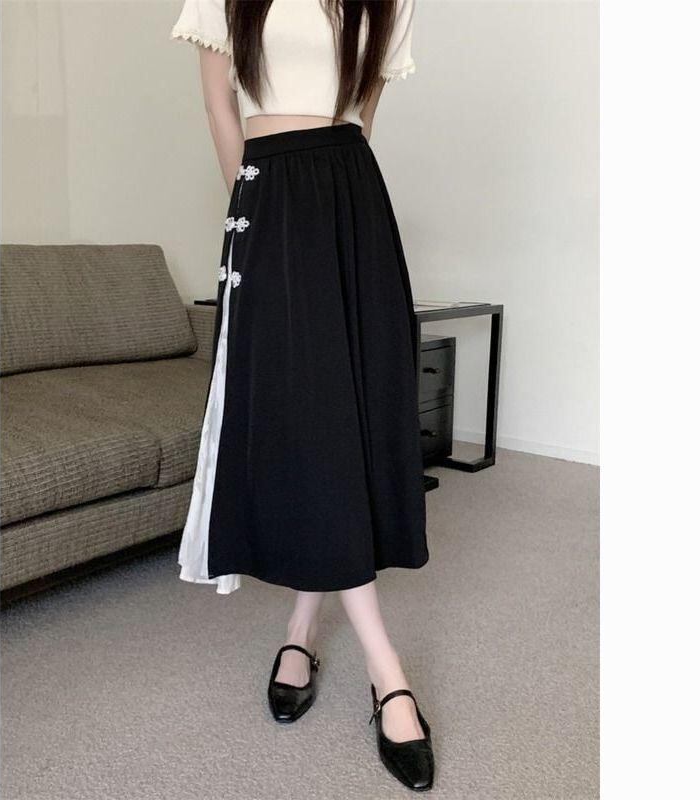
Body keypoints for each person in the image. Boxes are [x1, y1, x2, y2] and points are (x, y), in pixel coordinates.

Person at [172, 0, 434, 790]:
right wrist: (254, 209)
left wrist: (326, 200)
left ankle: (301, 624)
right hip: (267, 199)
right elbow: (219, 104)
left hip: (352, 200)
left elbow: (363, 112)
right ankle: (387, 671)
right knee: (308, 419)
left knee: (353, 412)